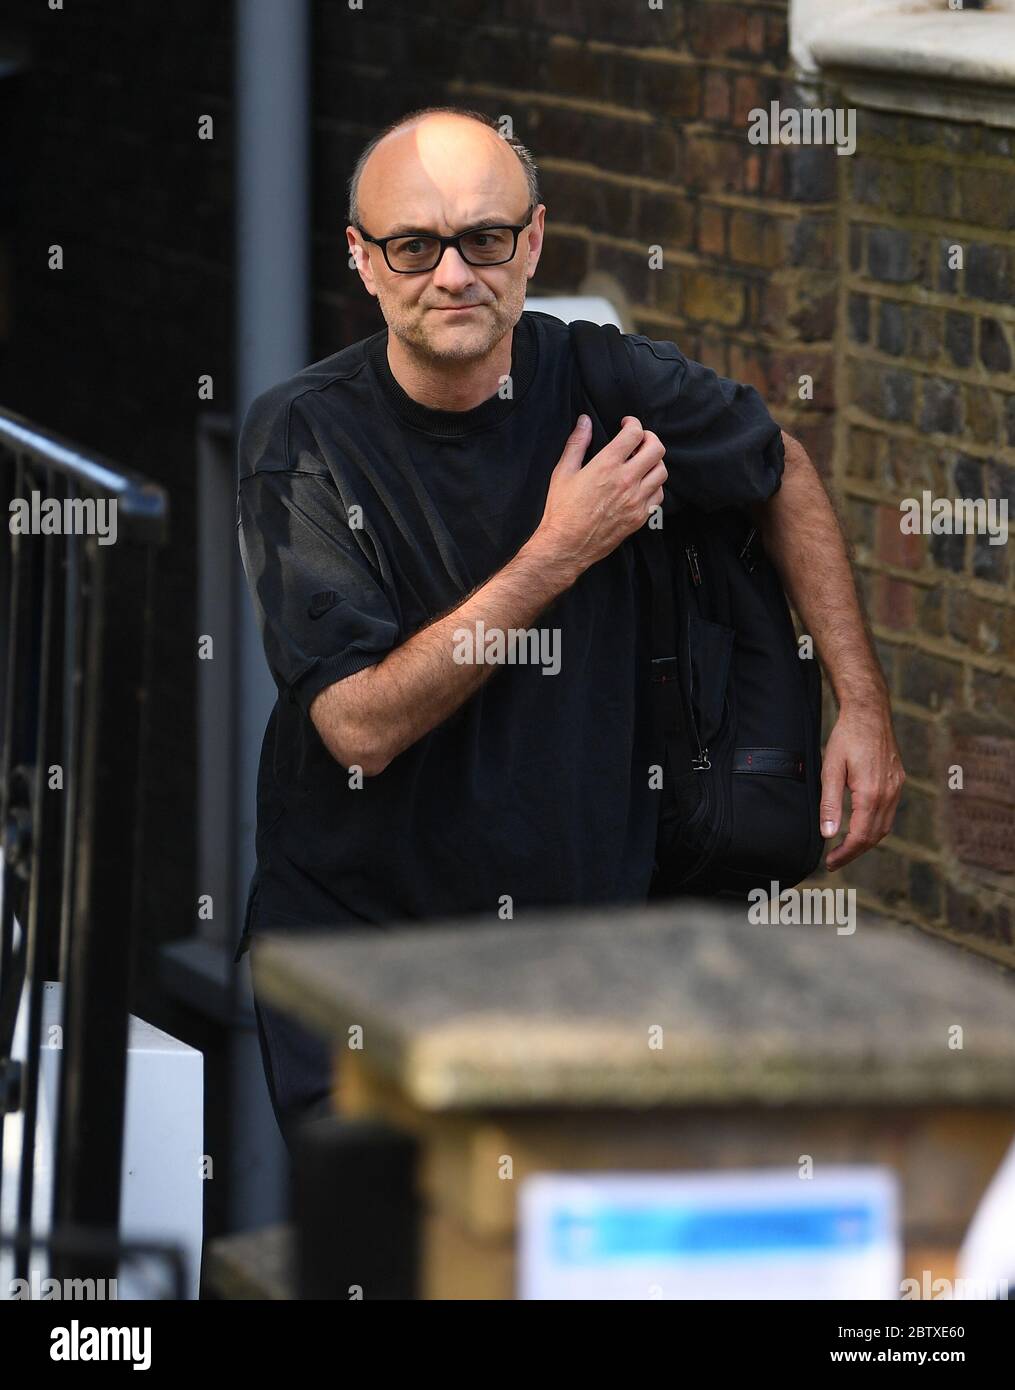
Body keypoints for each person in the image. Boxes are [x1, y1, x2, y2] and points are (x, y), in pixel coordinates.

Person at [235, 106, 905, 1146]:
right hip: (364, 962)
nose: (454, 274)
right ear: (364, 262)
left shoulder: (606, 378)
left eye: (485, 239)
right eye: (415, 246)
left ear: (532, 243)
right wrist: (559, 549)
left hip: (587, 954)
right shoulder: (305, 439)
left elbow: (781, 468)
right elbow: (357, 726)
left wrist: (860, 707)